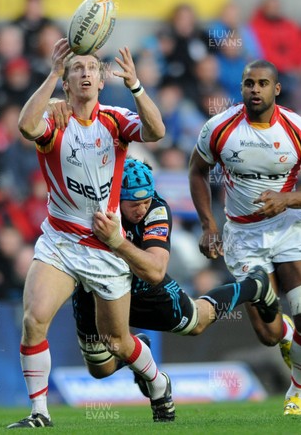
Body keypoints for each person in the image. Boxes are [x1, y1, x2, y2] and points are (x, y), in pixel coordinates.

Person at [8, 38, 171, 429]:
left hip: (107, 245)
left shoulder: (115, 120)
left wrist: (136, 87)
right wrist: (49, 74)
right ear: (67, 81)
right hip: (61, 241)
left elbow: (157, 131)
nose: (85, 73)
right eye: (76, 69)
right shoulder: (54, 120)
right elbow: (26, 126)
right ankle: (40, 413)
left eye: (92, 69)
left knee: (117, 343)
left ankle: (158, 382)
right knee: (33, 319)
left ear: (101, 81)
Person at [188, 59, 301, 416]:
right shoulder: (219, 128)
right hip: (242, 235)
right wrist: (209, 225)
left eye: (262, 83)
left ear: (276, 89)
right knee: (269, 335)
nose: (255, 89)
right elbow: (197, 171)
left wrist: (286, 199)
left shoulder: (299, 130)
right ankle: (283, 334)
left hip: (289, 227)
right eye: (248, 83)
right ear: (241, 88)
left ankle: (296, 395)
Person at [68, 158, 278, 388]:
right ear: (117, 197)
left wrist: (116, 241)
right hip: (97, 290)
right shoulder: (93, 207)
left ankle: (254, 285)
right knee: (100, 369)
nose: (141, 210)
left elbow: (156, 271)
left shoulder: (156, 209)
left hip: (144, 287)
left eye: (145, 201)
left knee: (196, 323)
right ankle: (140, 349)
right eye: (134, 204)